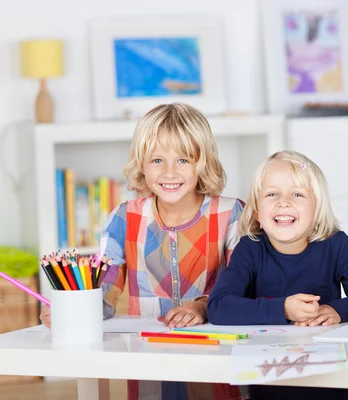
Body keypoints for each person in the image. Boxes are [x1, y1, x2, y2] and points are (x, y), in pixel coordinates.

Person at [40, 103, 246, 400]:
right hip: (149, 357)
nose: (170, 172)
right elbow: (105, 290)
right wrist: (74, 310)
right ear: (141, 164)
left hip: (217, 353)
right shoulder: (124, 218)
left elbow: (243, 285)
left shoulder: (231, 213)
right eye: (157, 160)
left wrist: (203, 306)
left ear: (203, 162)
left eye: (184, 160)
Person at [208, 150, 348, 400]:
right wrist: (283, 309)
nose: (283, 202)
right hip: (266, 379)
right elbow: (218, 306)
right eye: (272, 194)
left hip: (329, 379)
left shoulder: (336, 244)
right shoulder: (250, 249)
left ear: (317, 209)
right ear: (255, 211)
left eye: (297, 194)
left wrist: (337, 310)